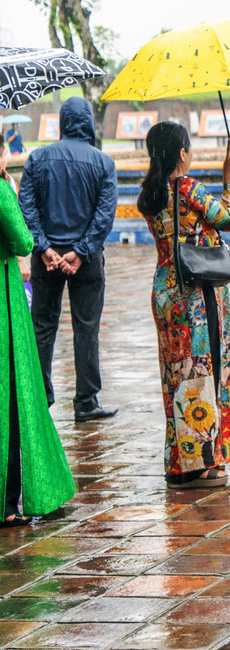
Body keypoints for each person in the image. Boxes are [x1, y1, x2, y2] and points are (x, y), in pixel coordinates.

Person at [137, 123, 230, 488]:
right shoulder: (187, 188)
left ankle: (181, 460)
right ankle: (203, 462)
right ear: (183, 153)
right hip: (197, 293)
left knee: (177, 375)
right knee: (204, 369)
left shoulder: (150, 193)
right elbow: (228, 219)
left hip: (165, 292)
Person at [18, 96, 117, 422]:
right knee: (86, 328)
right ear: (88, 122)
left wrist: (44, 247)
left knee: (42, 327)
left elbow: (26, 206)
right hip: (86, 262)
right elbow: (104, 215)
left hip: (45, 260)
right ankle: (86, 402)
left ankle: (39, 399)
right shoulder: (103, 163)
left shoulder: (38, 158)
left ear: (62, 122)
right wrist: (81, 251)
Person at [0, 142, 73, 525]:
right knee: (13, 393)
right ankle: (7, 504)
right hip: (5, 299)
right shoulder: (0, 189)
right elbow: (22, 240)